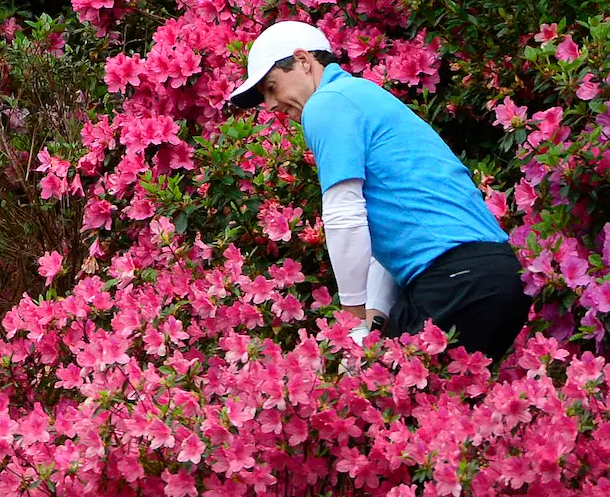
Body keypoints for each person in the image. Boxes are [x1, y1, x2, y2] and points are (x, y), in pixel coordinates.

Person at [227, 21, 530, 360]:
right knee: (435, 406)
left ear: (303, 60)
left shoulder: (326, 103)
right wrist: (373, 320)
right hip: (496, 276)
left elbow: (345, 215)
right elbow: (385, 237)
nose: (270, 106)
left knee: (391, 400)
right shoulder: (361, 95)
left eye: (272, 87)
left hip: (454, 280)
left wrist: (351, 322)